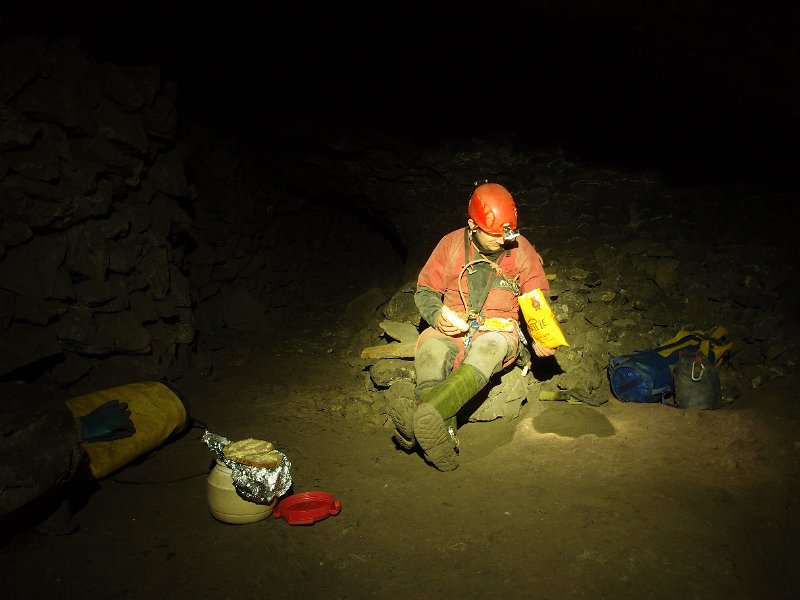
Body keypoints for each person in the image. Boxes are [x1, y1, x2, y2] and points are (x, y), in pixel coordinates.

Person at [388, 181, 557, 471]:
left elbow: (535, 296)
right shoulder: (450, 244)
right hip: (454, 325)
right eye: (494, 235)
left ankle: (421, 419)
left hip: (498, 329)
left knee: (487, 349)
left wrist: (544, 335)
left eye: (507, 233)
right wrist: (436, 315)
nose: (503, 240)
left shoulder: (520, 248)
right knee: (429, 352)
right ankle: (442, 440)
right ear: (472, 226)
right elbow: (426, 289)